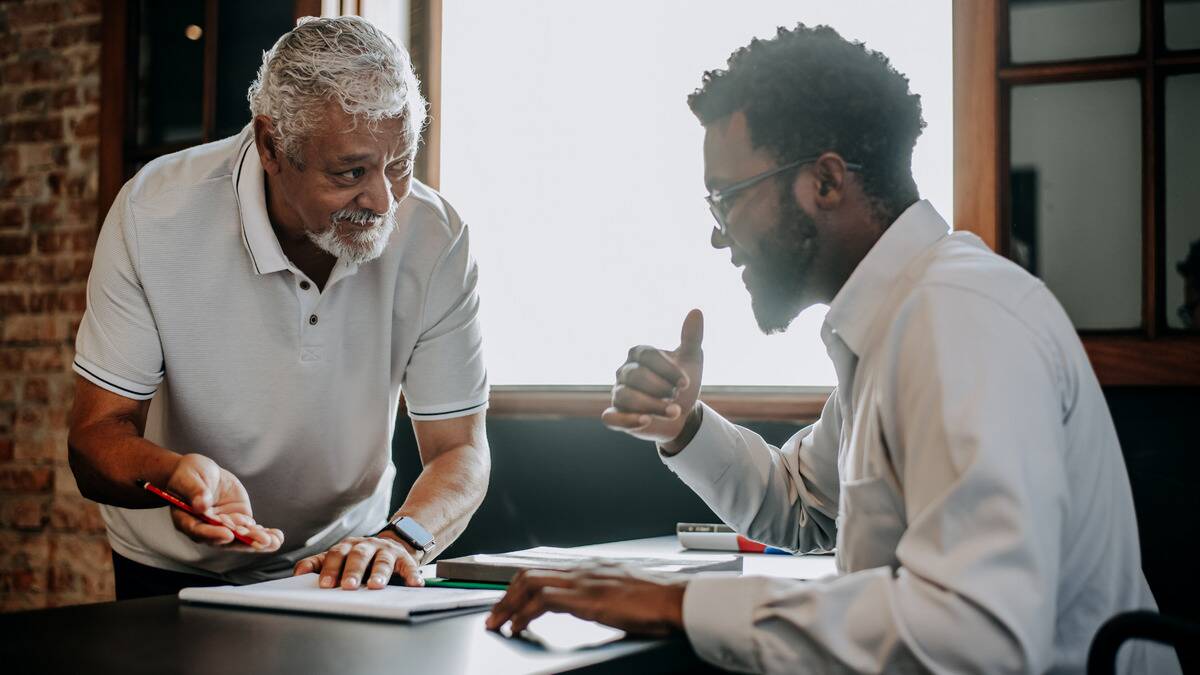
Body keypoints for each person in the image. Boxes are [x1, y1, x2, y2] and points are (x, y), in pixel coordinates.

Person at [486, 25, 1179, 674]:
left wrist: (676, 603)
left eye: (725, 198)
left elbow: (979, 633)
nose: (718, 235)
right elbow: (806, 506)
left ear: (824, 180)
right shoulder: (896, 319)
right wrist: (686, 426)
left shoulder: (958, 317)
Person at [68, 16, 490, 599]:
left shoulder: (436, 235)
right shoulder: (154, 212)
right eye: (351, 172)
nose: (385, 201)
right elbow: (94, 438)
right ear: (271, 145)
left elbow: (461, 450)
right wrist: (170, 478)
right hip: (172, 572)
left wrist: (400, 540)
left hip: (347, 562)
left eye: (400, 163)